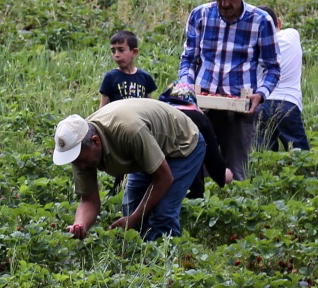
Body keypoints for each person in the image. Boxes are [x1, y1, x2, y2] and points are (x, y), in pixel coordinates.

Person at [53, 99, 206, 242]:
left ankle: (162, 260)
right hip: (145, 147)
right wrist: (80, 225)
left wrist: (136, 217)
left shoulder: (129, 131)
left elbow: (164, 178)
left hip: (180, 143)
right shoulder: (78, 151)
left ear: (95, 141)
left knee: (163, 212)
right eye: (75, 162)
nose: (81, 166)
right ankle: (140, 254)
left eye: (82, 160)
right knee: (130, 208)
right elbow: (89, 200)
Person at [178, 0, 280, 181]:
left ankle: (235, 210)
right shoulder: (200, 15)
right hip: (203, 105)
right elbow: (188, 59)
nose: (224, 4)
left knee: (237, 171)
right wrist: (187, 90)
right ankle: (204, 210)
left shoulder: (260, 21)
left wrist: (260, 94)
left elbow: (272, 67)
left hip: (240, 109)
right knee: (200, 167)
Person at [159, 86, 232, 199]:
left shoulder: (159, 115)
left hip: (157, 185)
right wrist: (222, 175)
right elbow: (213, 157)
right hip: (191, 186)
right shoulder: (200, 118)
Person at [253, 8, 309, 151]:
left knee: (263, 154)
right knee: (300, 155)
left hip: (261, 102)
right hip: (288, 102)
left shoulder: (254, 46)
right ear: (279, 22)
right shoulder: (292, 35)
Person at [99, 30, 157, 107]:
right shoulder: (110, 77)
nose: (116, 55)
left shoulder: (145, 77)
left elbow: (150, 106)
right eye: (113, 51)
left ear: (134, 52)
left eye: (121, 50)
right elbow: (102, 108)